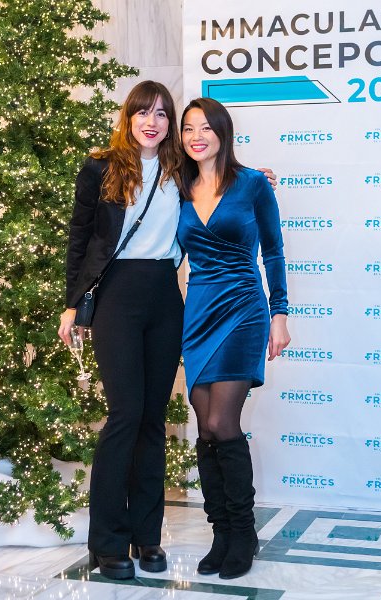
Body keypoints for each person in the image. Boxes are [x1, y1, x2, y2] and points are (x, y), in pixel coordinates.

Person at [58, 81, 277, 581]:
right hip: (116, 294)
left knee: (154, 419)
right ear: (128, 118)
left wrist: (257, 178)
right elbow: (79, 237)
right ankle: (108, 542)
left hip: (165, 295)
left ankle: (147, 535)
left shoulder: (178, 168)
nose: (152, 122)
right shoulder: (100, 167)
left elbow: (221, 180)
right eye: (143, 113)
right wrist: (72, 304)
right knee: (124, 415)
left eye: (161, 114)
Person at [177, 98, 290, 580]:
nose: (196, 136)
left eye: (206, 127)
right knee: (204, 428)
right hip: (198, 313)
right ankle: (220, 532)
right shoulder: (176, 187)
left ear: (223, 131)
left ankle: (243, 533)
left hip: (243, 309)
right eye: (188, 129)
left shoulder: (252, 184)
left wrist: (280, 314)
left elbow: (274, 251)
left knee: (222, 422)